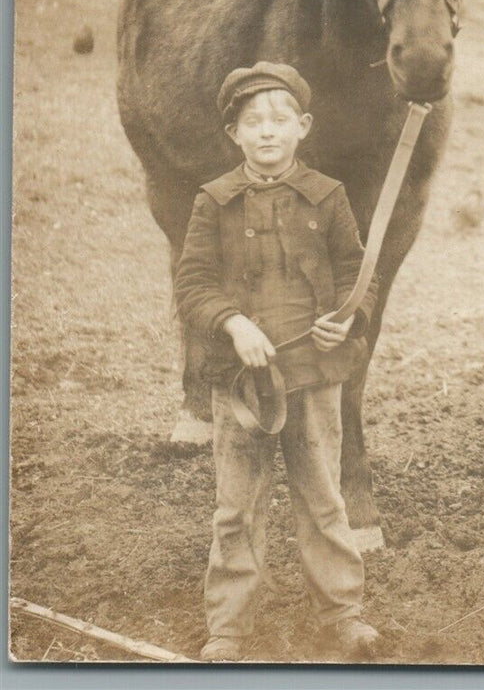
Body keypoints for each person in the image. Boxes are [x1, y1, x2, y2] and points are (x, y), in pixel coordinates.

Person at [174, 62, 381, 661]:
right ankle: (230, 628)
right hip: (240, 384)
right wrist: (233, 323)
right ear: (234, 133)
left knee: (323, 498)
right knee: (238, 505)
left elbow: (358, 275)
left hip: (313, 378)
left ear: (303, 126)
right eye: (252, 122)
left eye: (280, 119)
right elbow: (192, 284)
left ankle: (343, 615)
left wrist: (348, 314)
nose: (267, 131)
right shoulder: (213, 201)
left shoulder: (328, 197)